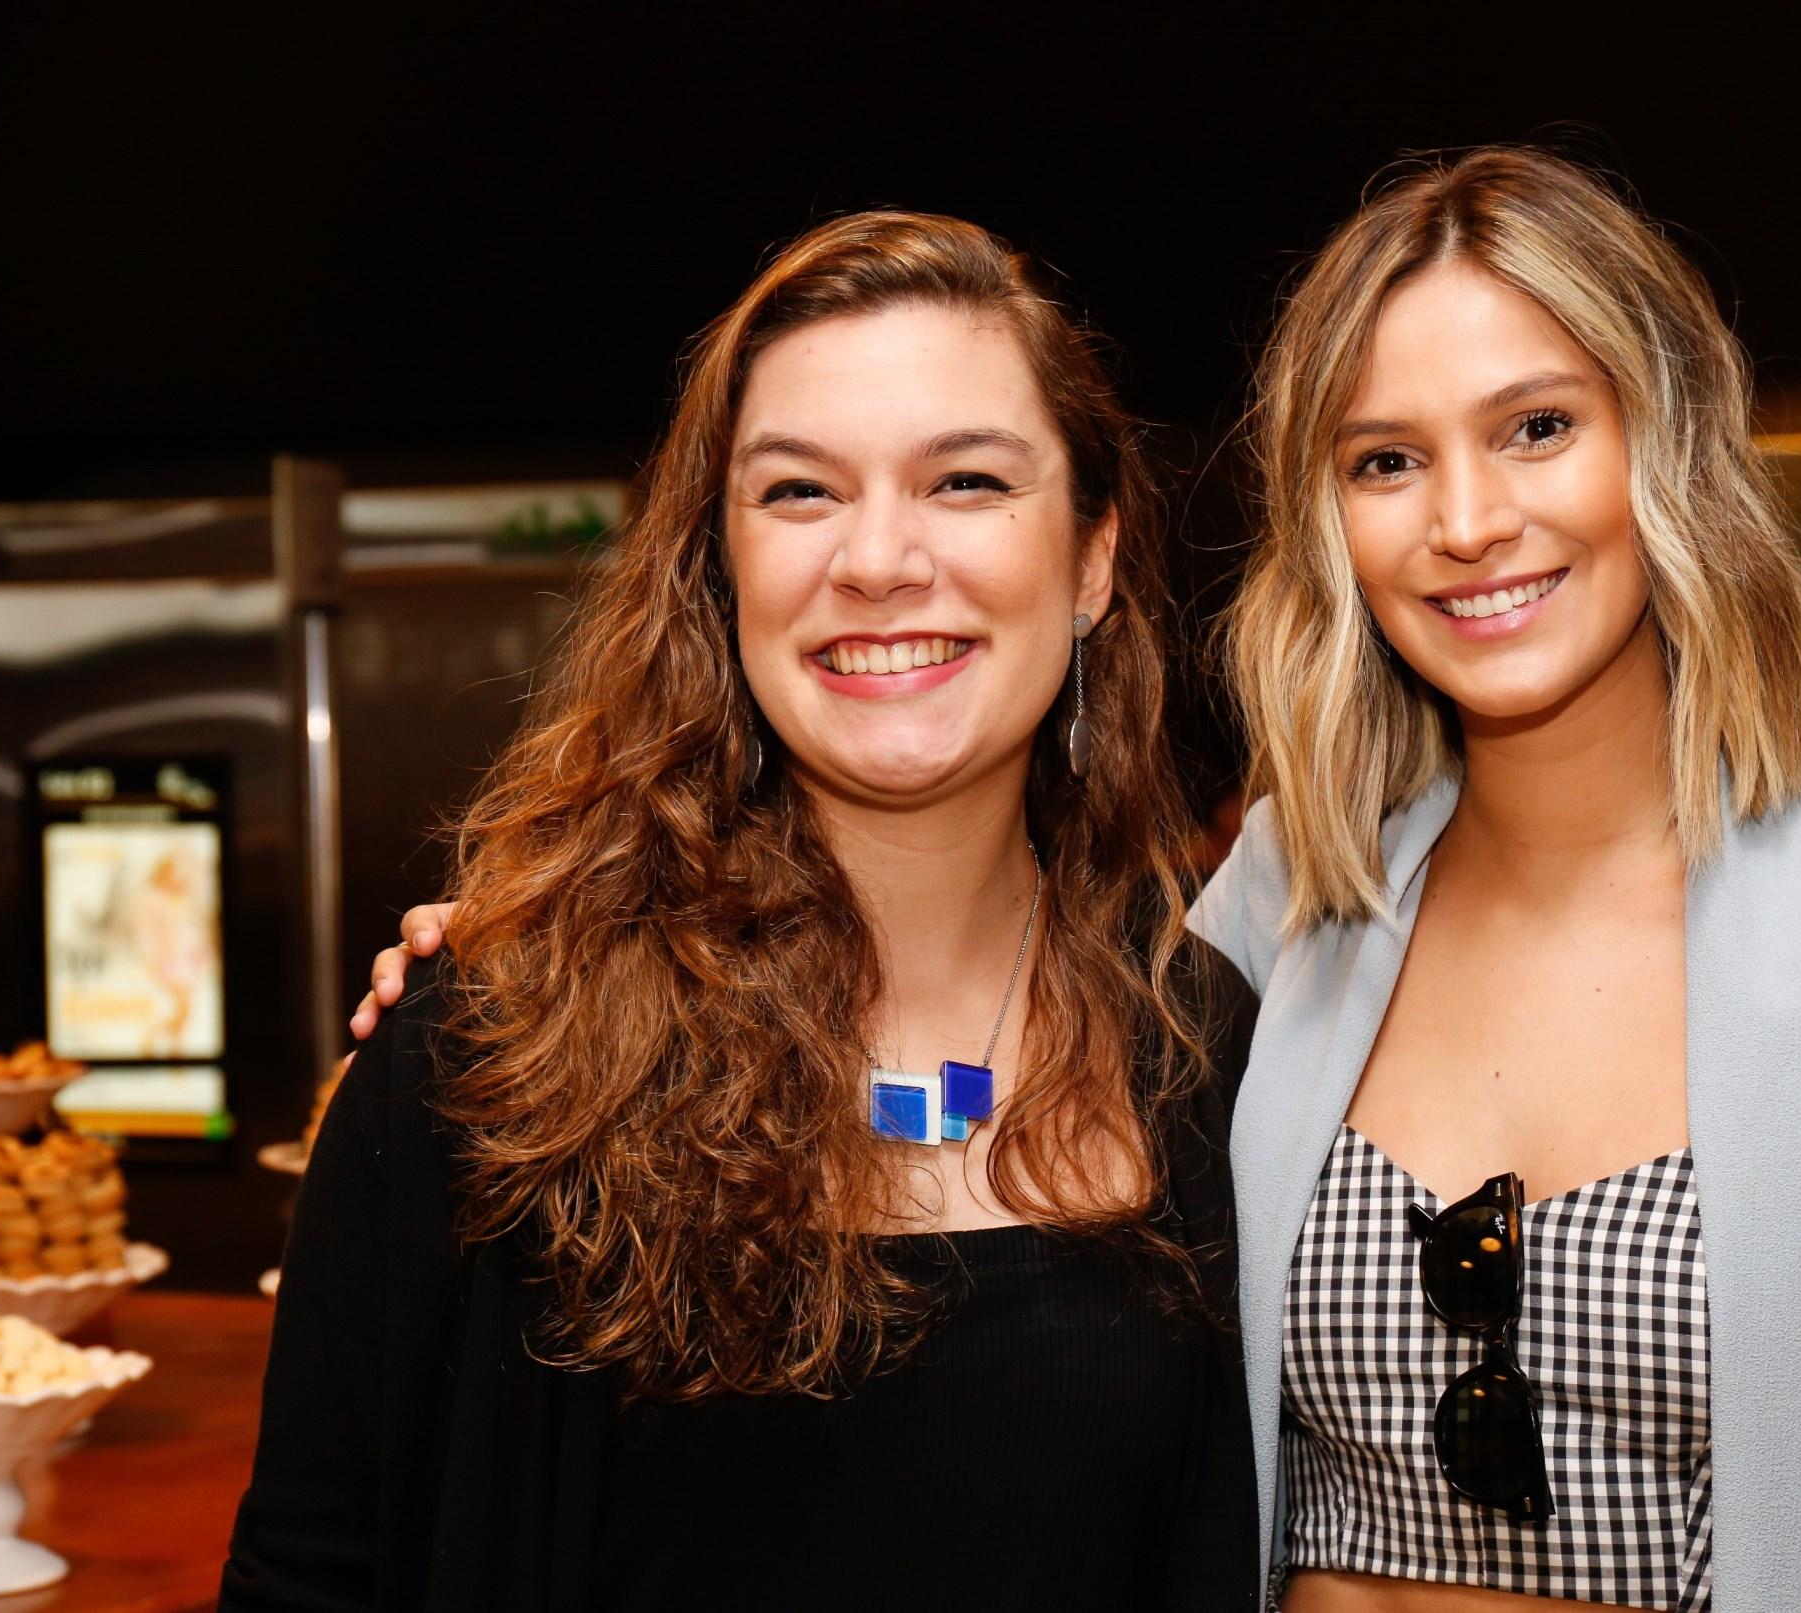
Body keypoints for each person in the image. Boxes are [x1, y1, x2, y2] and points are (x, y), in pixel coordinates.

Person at [361, 149, 1801, 1612]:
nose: (1467, 521)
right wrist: (545, 967)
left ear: (1667, 449)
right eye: (1384, 460)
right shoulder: (1291, 900)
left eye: (1534, 428)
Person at [225, 211, 1259, 1612]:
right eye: (798, 492)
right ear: (719, 566)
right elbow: (310, 1579)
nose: (880, 559)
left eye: (964, 480)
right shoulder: (486, 1055)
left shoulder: (1209, 1044)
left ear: (1089, 561)